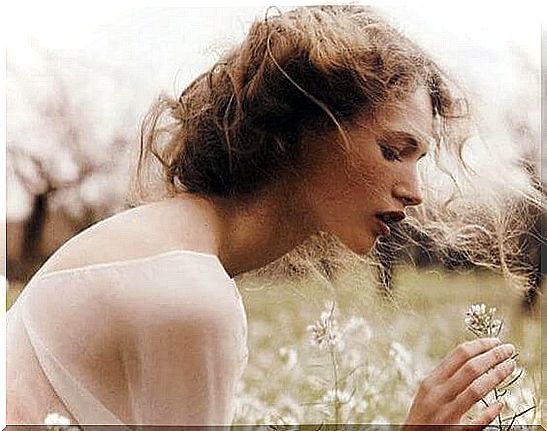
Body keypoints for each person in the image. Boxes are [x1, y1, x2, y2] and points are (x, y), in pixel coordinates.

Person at [7, 5, 527, 428]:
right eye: (393, 150)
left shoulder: (169, 245)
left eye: (420, 160)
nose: (415, 193)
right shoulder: (187, 293)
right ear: (305, 128)